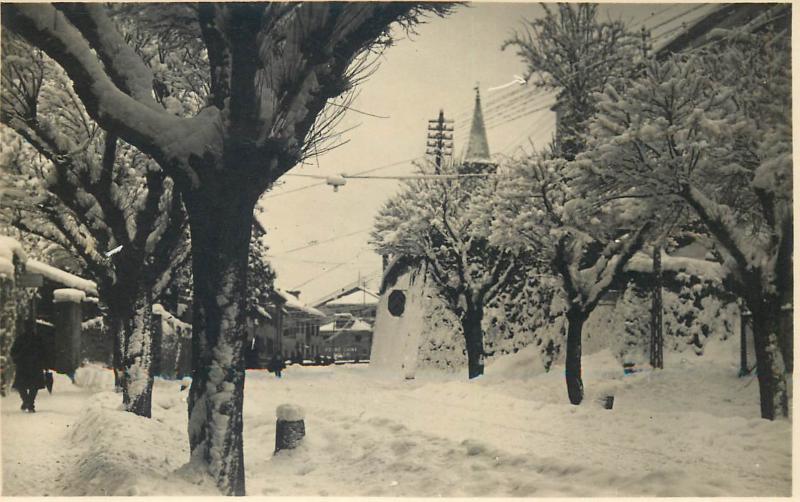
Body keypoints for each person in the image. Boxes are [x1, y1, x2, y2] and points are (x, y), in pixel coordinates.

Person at [11, 319, 47, 413]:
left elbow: (13, 352)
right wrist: (43, 363)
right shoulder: (37, 338)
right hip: (35, 366)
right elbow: (44, 352)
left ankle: (26, 401)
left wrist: (17, 359)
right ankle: (29, 403)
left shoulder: (20, 338)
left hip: (23, 366)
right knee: (33, 386)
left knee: (21, 386)